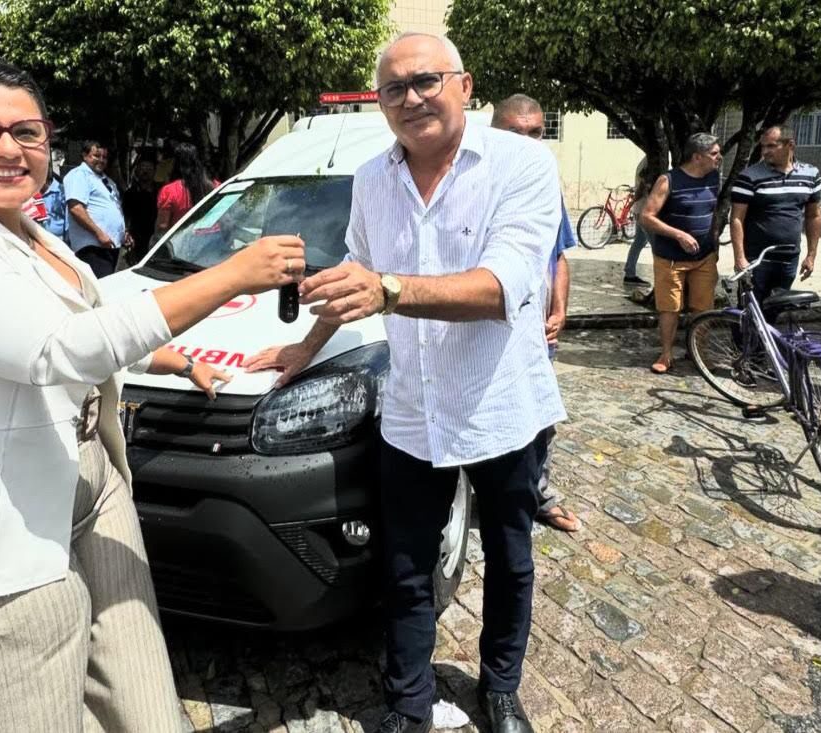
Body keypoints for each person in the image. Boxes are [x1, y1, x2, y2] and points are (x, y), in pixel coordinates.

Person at [0, 58, 305, 732]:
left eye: (26, 132)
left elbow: (86, 319)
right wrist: (233, 275)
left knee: (147, 706)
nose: (8, 149)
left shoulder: (33, 235)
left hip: (90, 479)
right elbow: (56, 350)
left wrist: (175, 360)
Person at [245, 33, 561, 733]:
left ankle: (501, 685)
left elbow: (504, 286)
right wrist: (305, 346)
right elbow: (356, 268)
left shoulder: (522, 164)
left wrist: (387, 288)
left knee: (510, 557)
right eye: (394, 88)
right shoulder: (370, 178)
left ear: (464, 85)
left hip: (499, 404)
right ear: (380, 102)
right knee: (407, 566)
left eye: (426, 80)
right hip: (412, 411)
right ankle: (408, 705)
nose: (412, 97)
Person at [490, 93, 580, 533]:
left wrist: (559, 308)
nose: (527, 142)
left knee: (539, 418)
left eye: (535, 133)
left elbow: (558, 254)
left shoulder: (545, 182)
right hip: (486, 329)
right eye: (514, 132)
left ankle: (539, 494)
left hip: (538, 332)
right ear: (493, 132)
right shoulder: (473, 183)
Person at [640, 132, 722, 374]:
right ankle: (666, 354)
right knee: (670, 308)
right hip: (671, 259)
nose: (719, 158)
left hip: (704, 257)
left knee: (703, 307)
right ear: (697, 156)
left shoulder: (714, 178)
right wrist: (679, 235)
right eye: (714, 154)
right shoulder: (668, 181)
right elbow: (646, 217)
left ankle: (698, 352)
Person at [730, 125, 821, 321]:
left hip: (789, 257)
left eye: (771, 146)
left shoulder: (810, 174)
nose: (765, 152)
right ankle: (744, 351)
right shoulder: (750, 176)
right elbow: (737, 218)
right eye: (763, 146)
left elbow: (813, 215)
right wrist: (740, 258)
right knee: (750, 309)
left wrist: (811, 255)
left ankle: (766, 351)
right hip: (757, 258)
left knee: (775, 308)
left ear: (790, 145)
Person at [63, 141, 126, 278]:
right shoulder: (79, 175)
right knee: (100, 290)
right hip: (93, 247)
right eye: (96, 156)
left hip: (110, 246)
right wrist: (98, 233)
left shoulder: (107, 181)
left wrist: (123, 233)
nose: (101, 160)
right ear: (85, 156)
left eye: (104, 157)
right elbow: (76, 208)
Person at [154, 142, 218, 235]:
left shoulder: (169, 191)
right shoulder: (215, 185)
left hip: (184, 245)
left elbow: (162, 227)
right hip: (215, 242)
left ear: (175, 164)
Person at [122, 154, 159, 264]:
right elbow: (125, 215)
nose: (145, 171)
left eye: (149, 168)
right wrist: (126, 233)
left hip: (155, 236)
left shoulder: (160, 192)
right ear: (137, 171)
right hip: (136, 237)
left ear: (154, 171)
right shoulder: (130, 193)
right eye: (143, 168)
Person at [623, 157, 652, 285]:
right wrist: (635, 199)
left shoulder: (645, 160)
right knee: (656, 245)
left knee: (639, 242)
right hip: (645, 210)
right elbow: (643, 183)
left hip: (641, 209)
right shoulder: (650, 161)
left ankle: (629, 272)